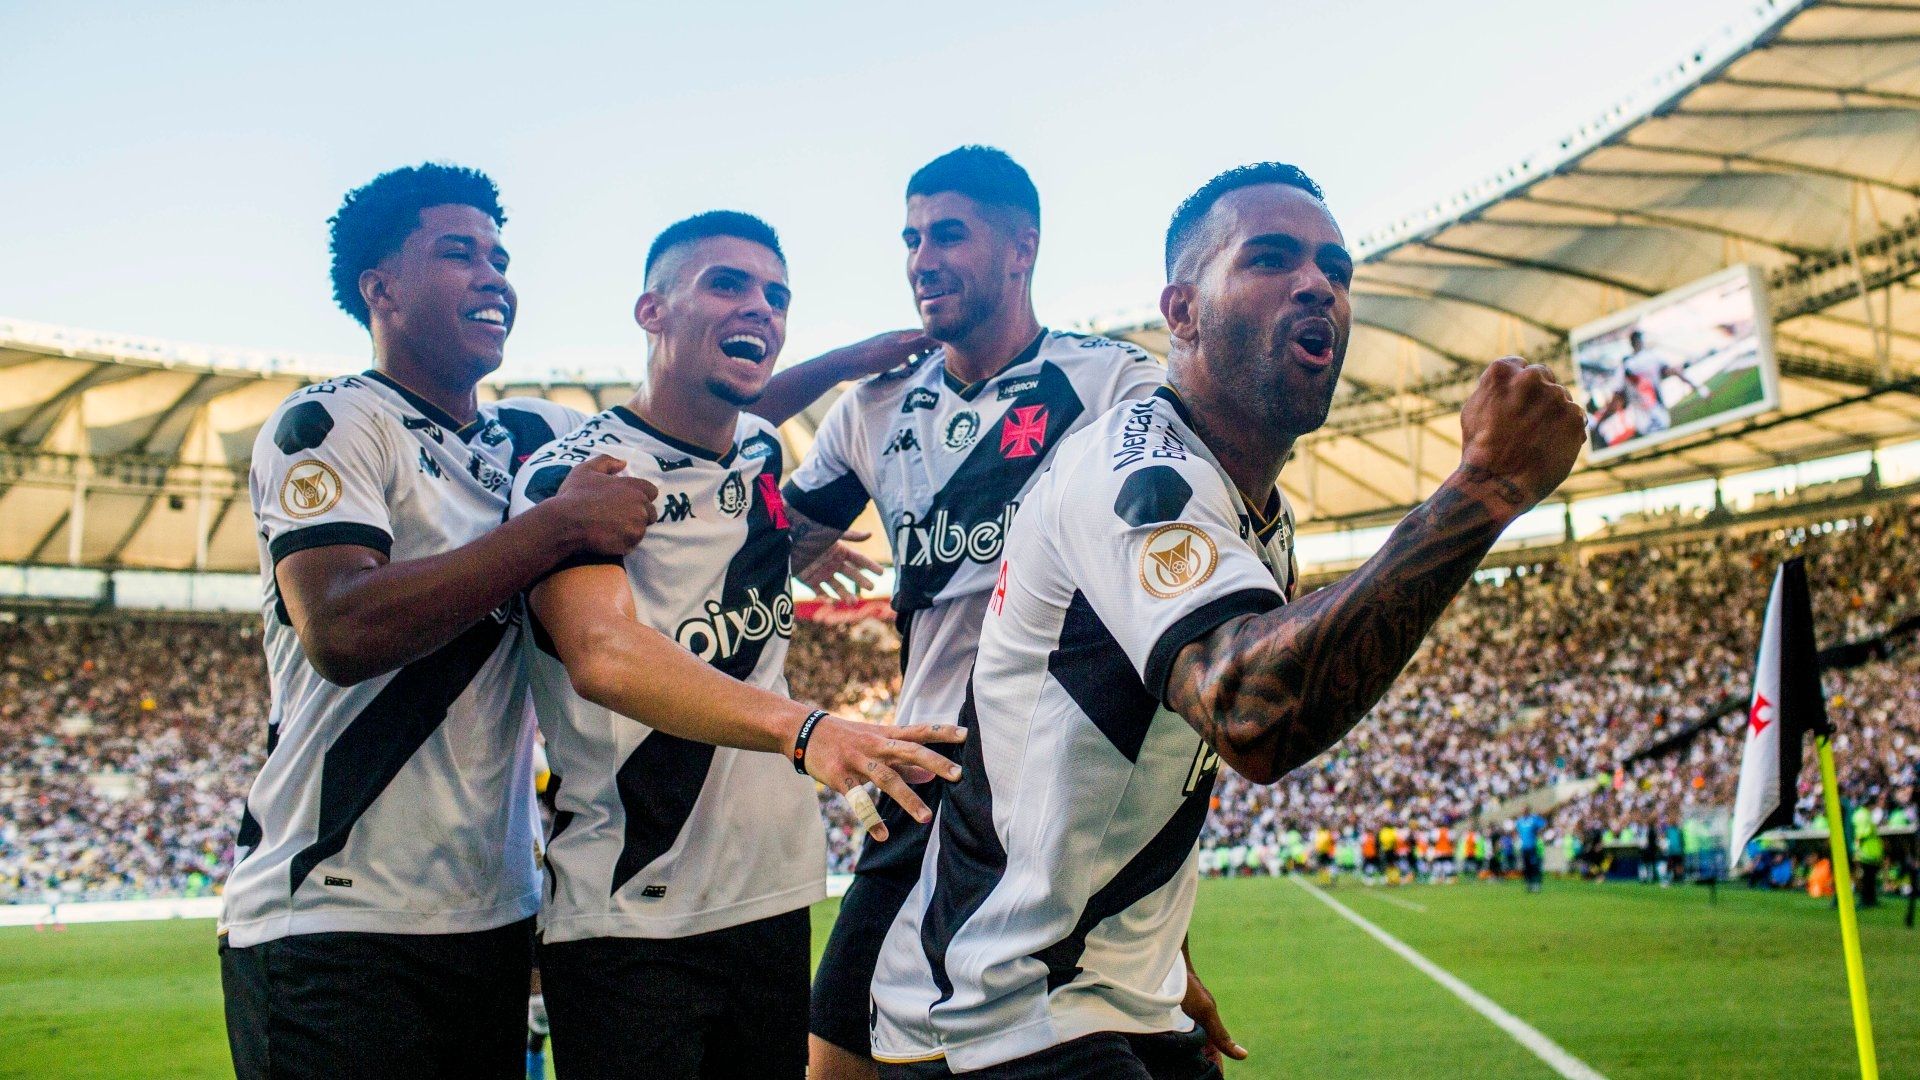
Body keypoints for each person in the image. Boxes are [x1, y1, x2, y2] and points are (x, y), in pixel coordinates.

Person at [869, 162, 1586, 1077]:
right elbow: (1254, 711)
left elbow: (1147, 767)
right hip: (998, 1010)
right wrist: (1485, 489)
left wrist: (1167, 959)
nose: (1318, 284)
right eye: (1271, 258)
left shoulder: (1255, 516)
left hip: (1118, 994)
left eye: (1336, 268)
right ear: (1182, 311)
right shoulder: (1136, 470)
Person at [219, 163, 660, 1080]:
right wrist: (557, 525)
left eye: (501, 255)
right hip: (332, 918)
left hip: (487, 918)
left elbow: (688, 423)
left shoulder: (532, 435)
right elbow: (340, 630)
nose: (494, 275)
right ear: (379, 288)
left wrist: (857, 370)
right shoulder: (332, 421)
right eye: (459, 253)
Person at [507, 211, 966, 1080]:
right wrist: (808, 730)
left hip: (772, 897)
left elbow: (749, 419)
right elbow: (605, 653)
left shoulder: (756, 458)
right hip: (631, 921)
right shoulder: (578, 477)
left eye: (776, 295)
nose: (760, 306)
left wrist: (846, 368)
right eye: (726, 284)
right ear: (651, 311)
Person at [781, 147, 1205, 1080]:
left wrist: (1172, 943)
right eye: (910, 239)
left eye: (948, 235)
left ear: (1023, 246)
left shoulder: (1112, 387)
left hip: (1064, 777)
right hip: (924, 772)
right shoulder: (872, 408)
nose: (921, 259)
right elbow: (753, 542)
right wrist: (833, 368)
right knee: (837, 1059)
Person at [1516, 812, 1546, 893]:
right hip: (1524, 847)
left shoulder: (1533, 819)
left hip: (1532, 847)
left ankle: (1536, 884)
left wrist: (1537, 832)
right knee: (1526, 867)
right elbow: (1517, 830)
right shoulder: (1520, 821)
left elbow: (1543, 824)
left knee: (1534, 866)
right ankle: (1529, 884)